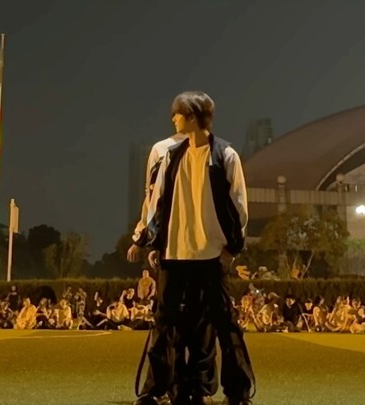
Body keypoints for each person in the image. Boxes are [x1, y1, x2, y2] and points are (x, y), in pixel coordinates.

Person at [133, 91, 254, 405]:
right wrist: (153, 242)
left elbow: (239, 207)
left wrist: (232, 250)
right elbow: (157, 204)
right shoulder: (172, 156)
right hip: (174, 256)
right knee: (163, 327)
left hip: (211, 256)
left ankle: (237, 391)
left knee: (224, 325)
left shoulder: (225, 155)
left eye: (177, 113)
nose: (173, 119)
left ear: (190, 115)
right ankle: (155, 391)